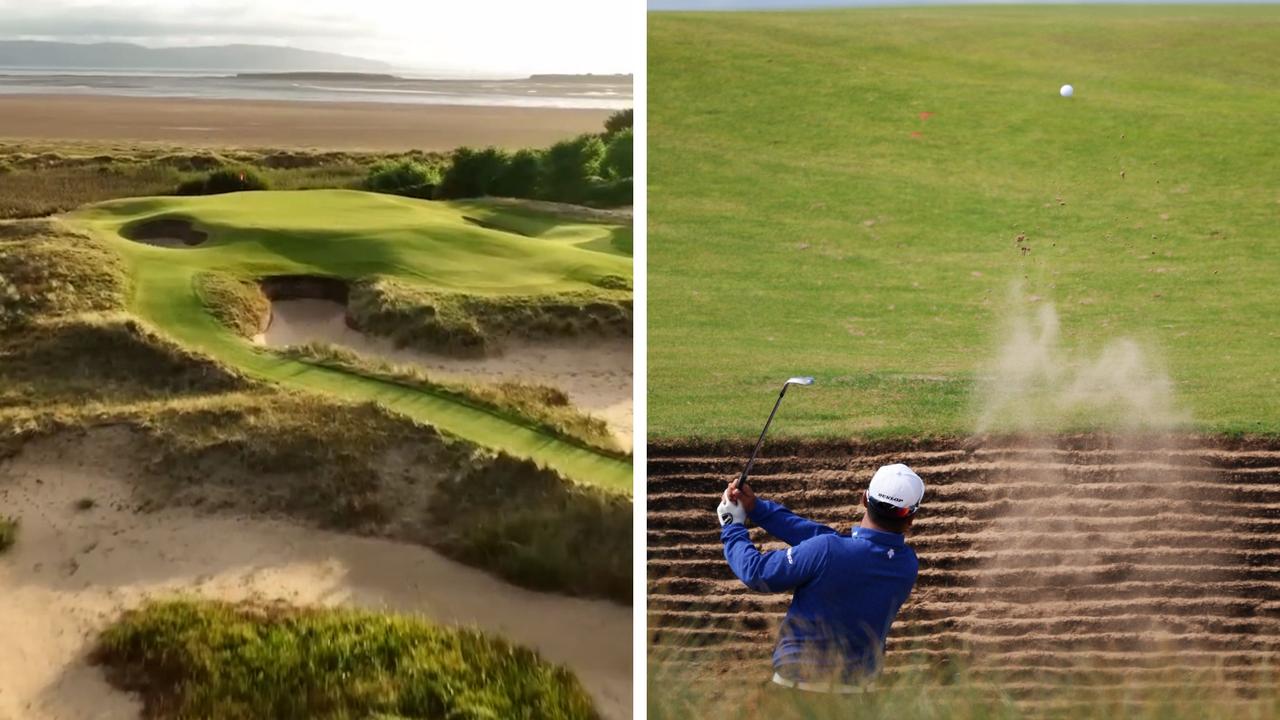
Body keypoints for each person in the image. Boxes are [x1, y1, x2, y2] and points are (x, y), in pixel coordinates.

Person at [717, 463, 924, 692]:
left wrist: (732, 525)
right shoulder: (907, 564)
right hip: (857, 700)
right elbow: (833, 542)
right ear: (911, 518)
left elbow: (756, 572)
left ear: (864, 498)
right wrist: (758, 509)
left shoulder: (827, 550)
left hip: (795, 693)